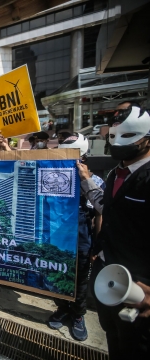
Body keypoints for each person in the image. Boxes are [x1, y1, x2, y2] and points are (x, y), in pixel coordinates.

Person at [86, 103, 150, 359]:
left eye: (127, 137)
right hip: (108, 277)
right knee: (113, 337)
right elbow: (110, 211)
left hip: (139, 287)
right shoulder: (116, 173)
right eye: (113, 137)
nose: (117, 144)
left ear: (146, 140)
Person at [48, 133, 98, 341]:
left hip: (81, 237)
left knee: (79, 279)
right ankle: (62, 308)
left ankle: (78, 315)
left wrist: (97, 243)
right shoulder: (54, 175)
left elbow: (100, 213)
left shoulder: (95, 181)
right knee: (56, 274)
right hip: (57, 235)